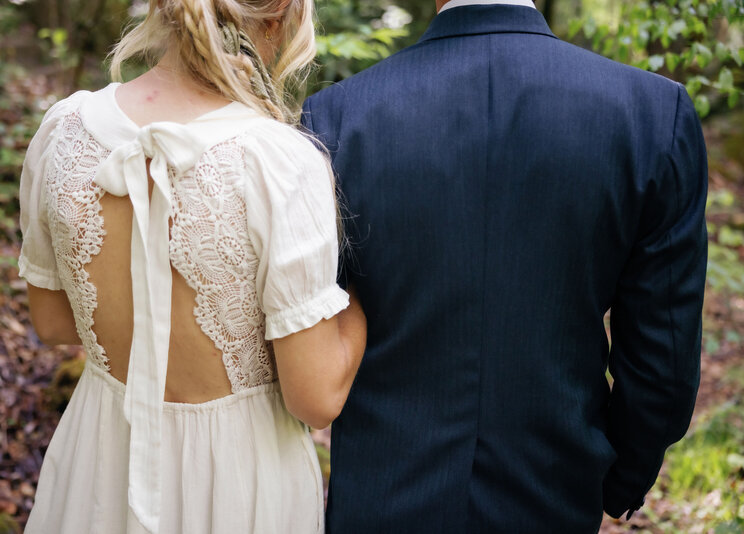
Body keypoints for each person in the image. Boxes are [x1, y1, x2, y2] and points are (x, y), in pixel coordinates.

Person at [301, 0, 707, 532]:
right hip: (554, 490)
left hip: (384, 493)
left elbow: (312, 337)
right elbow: (664, 360)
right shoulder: (651, 114)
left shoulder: (336, 117)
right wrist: (619, 478)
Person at [18, 0, 366, 532]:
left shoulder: (64, 130)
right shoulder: (276, 160)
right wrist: (364, 299)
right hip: (239, 481)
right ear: (281, 19)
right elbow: (316, 398)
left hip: (99, 460)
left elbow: (54, 323)